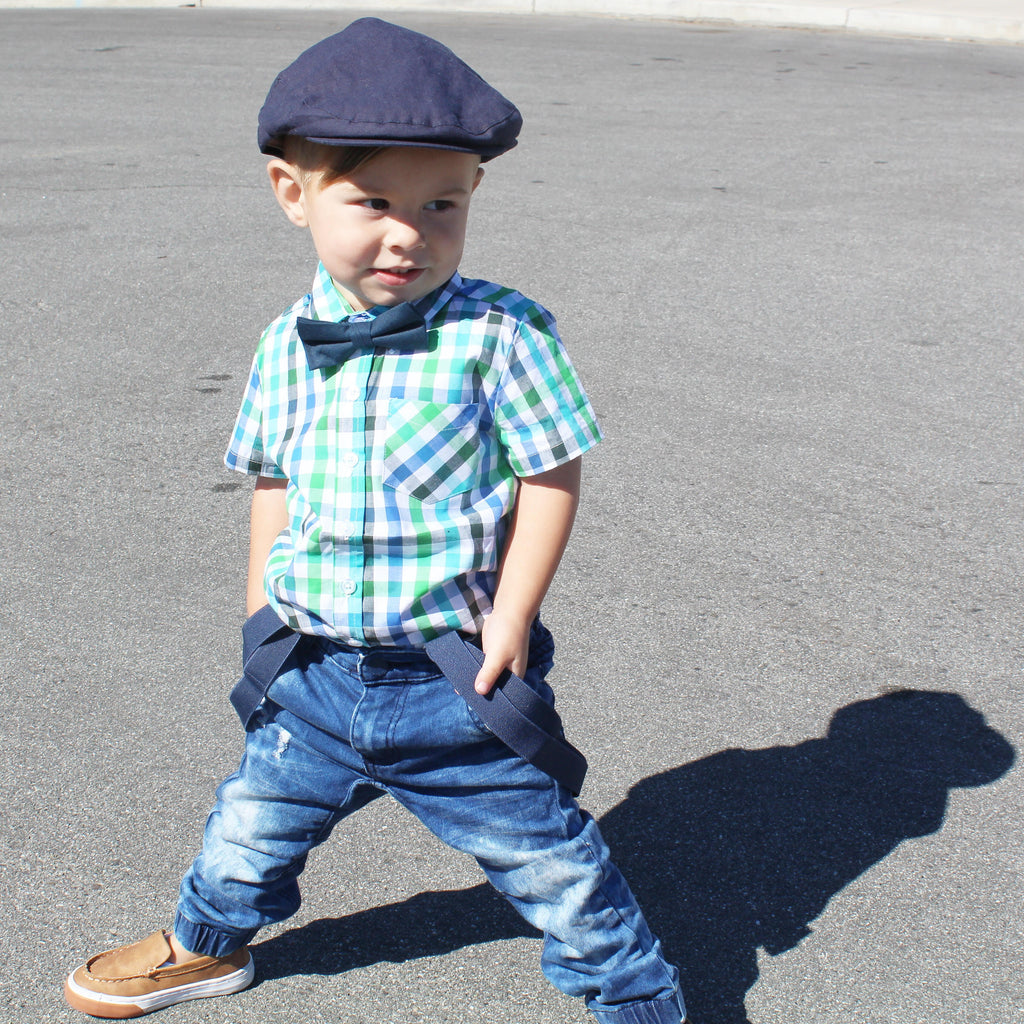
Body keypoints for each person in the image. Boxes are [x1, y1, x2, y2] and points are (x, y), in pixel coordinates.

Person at [63, 18, 687, 1024]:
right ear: (293, 193)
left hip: (450, 679)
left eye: (442, 204)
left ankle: (635, 997)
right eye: (374, 202)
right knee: (248, 827)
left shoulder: (501, 335)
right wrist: (261, 609)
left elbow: (550, 474)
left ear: (474, 196)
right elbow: (270, 477)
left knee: (554, 865)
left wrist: (513, 619)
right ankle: (205, 945)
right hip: (310, 668)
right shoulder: (283, 341)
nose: (409, 232)